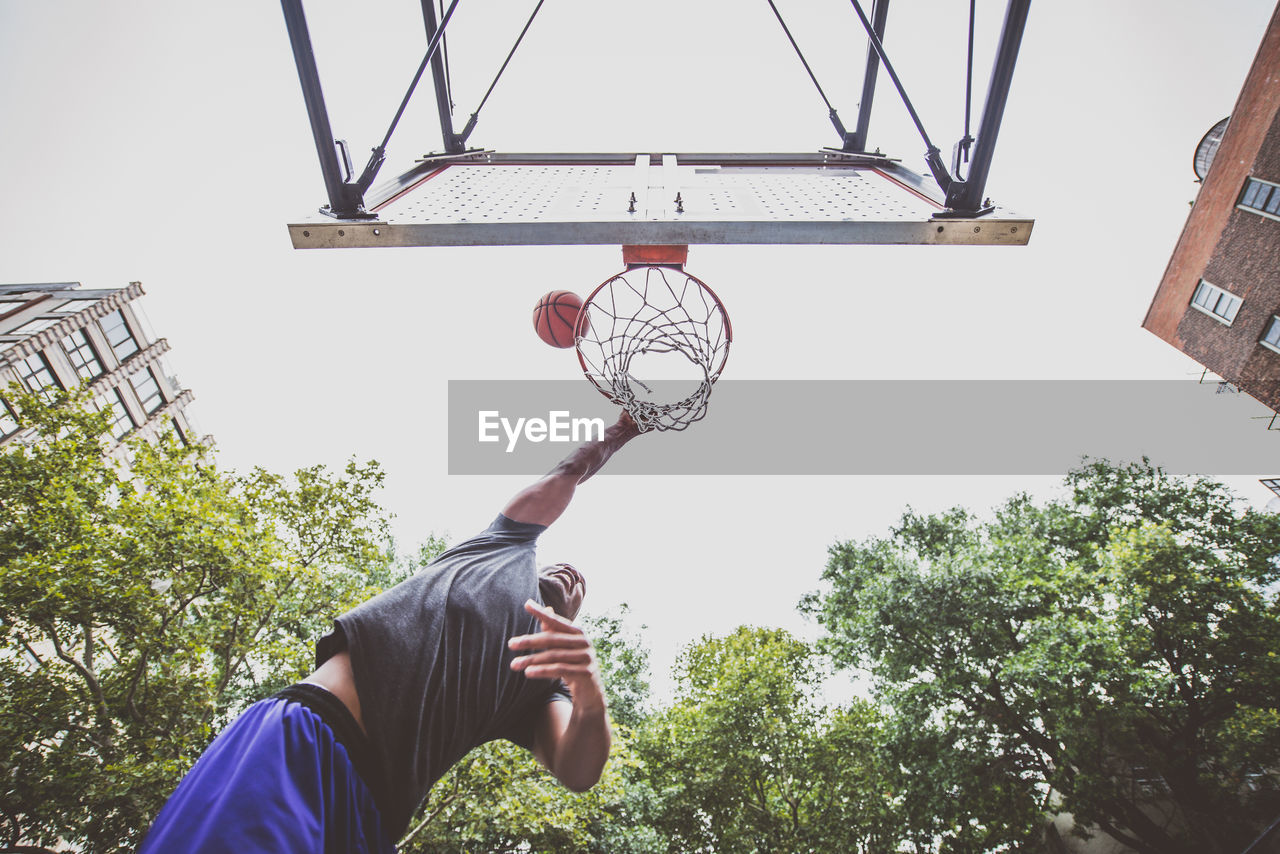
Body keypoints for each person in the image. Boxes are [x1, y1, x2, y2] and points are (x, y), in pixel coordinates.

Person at [138, 410, 643, 852]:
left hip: (374, 819)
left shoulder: (545, 683)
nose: (573, 573)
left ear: (573, 617)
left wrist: (590, 695)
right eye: (565, 566)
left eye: (582, 585)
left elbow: (578, 773)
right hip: (307, 737)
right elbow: (567, 473)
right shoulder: (503, 546)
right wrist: (618, 434)